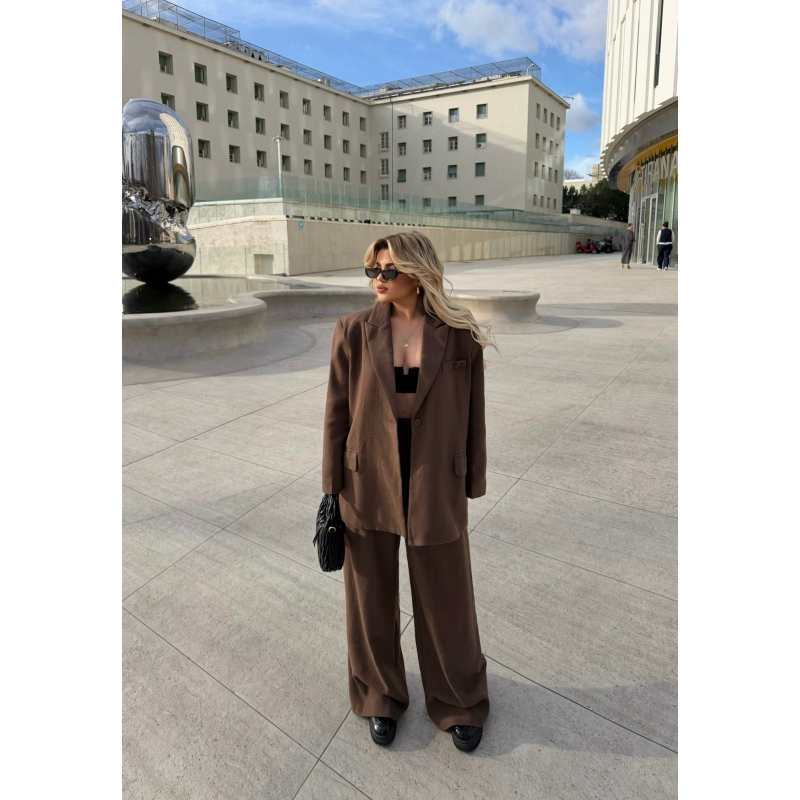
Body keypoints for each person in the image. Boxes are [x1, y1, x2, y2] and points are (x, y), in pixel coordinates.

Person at [321, 231, 495, 753]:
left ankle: (459, 698)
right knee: (369, 597)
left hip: (435, 481)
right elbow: (336, 415)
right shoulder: (352, 331)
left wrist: (473, 477)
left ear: (417, 274)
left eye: (389, 270)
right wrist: (331, 487)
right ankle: (379, 694)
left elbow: (474, 413)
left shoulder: (459, 336)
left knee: (448, 598)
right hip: (365, 480)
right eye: (373, 270)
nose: (378, 278)